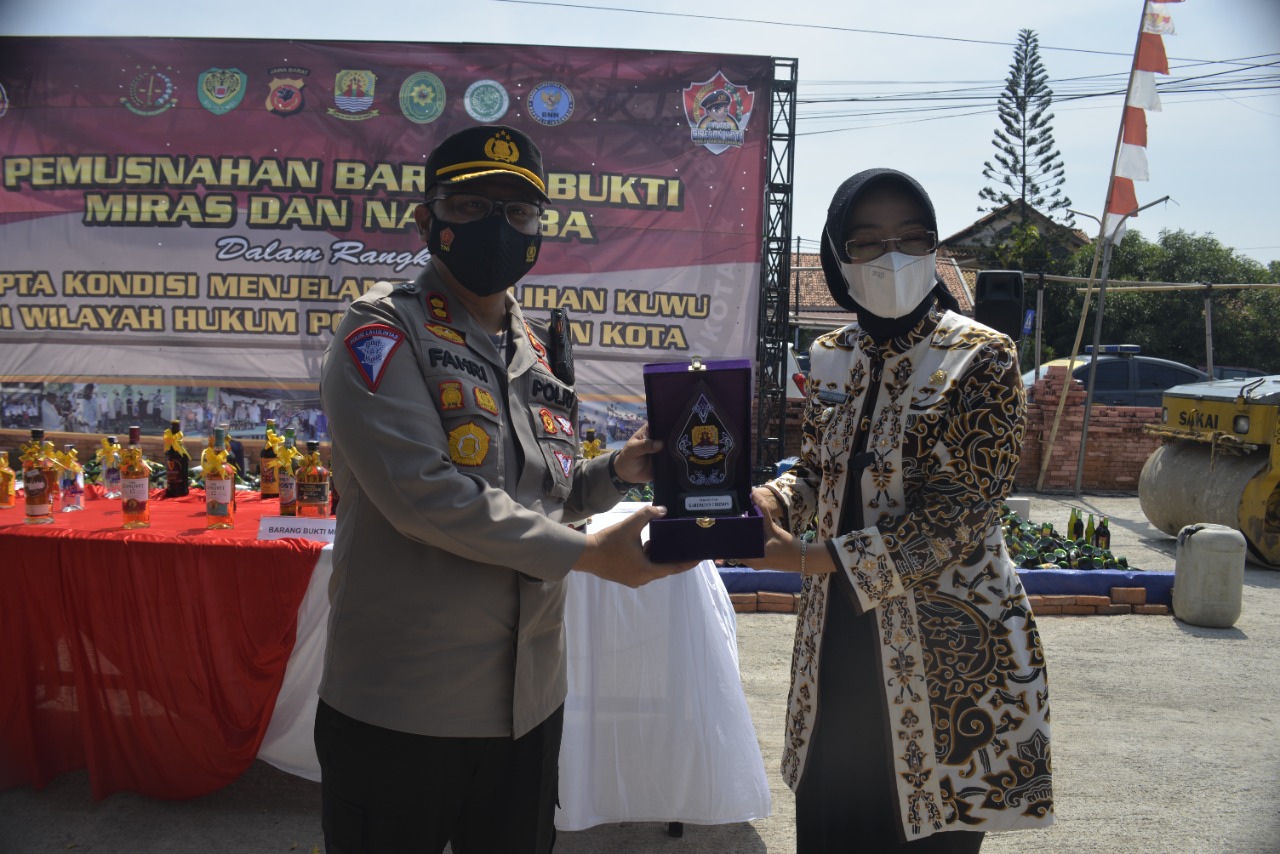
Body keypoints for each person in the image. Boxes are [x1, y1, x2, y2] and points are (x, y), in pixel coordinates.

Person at [315, 124, 694, 854]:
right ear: (426, 219)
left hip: (528, 703)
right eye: (471, 206)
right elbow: (424, 496)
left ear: (540, 229)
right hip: (407, 703)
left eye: (518, 212)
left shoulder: (538, 347)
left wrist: (617, 472)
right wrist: (588, 555)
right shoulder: (382, 329)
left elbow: (543, 493)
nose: (498, 226)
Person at [747, 168, 1053, 852]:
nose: (893, 257)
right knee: (833, 819)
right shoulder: (831, 355)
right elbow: (818, 470)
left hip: (948, 652)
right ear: (838, 257)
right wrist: (773, 498)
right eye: (868, 241)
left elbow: (964, 512)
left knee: (927, 823)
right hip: (837, 645)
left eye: (912, 238)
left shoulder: (982, 357)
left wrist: (813, 559)